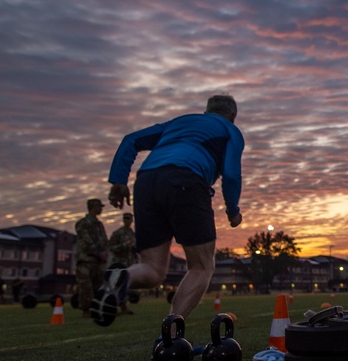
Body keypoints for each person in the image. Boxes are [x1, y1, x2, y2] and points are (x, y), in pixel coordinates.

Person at [104, 94, 244, 329]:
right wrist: (233, 211)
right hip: (186, 179)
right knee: (202, 266)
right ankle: (170, 333)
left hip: (146, 182)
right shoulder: (229, 130)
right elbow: (231, 174)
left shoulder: (178, 123)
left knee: (153, 269)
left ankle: (121, 277)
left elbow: (131, 140)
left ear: (206, 110)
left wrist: (118, 179)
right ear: (233, 116)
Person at [75, 198, 109, 318]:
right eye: (99, 207)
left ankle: (97, 309)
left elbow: (104, 240)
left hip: (98, 261)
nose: (101, 209)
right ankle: (86, 310)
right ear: (93, 207)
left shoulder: (99, 224)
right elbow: (86, 240)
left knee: (98, 286)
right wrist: (98, 252)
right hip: (86, 260)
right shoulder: (83, 223)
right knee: (86, 286)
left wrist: (105, 252)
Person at [108, 212, 138, 314]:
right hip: (119, 263)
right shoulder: (117, 233)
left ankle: (123, 306)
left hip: (129, 264)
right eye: (125, 219)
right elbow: (111, 247)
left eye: (129, 219)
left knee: (125, 286)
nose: (127, 221)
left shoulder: (132, 234)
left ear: (131, 220)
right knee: (116, 285)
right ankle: (113, 307)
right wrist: (124, 245)